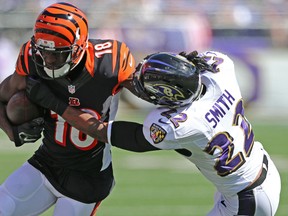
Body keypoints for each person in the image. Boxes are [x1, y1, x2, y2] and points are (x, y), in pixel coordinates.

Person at [26, 51, 281, 215]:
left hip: (245, 199)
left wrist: (55, 104)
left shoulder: (180, 123)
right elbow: (189, 61)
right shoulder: (221, 70)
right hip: (259, 169)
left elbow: (102, 131)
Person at [0, 2, 136, 215]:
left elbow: (146, 95)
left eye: (58, 54)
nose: (49, 60)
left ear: (79, 47)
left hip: (87, 180)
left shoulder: (109, 62)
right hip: (45, 163)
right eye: (44, 52)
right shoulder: (32, 58)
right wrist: (11, 132)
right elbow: (1, 96)